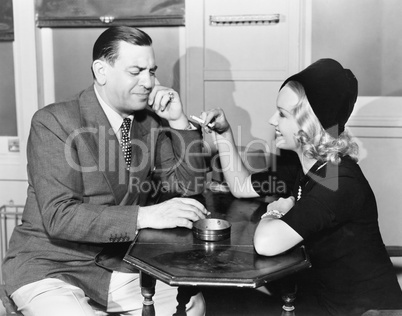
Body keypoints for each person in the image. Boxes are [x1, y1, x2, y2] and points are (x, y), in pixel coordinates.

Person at [2, 26, 208, 316]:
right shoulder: (53, 121)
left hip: (110, 265)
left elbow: (189, 187)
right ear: (101, 71)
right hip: (49, 264)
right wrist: (146, 215)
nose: (148, 82)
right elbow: (60, 216)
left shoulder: (149, 123)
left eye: (152, 71)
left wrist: (178, 121)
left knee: (190, 304)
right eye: (136, 71)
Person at [199, 58, 402, 315]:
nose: (272, 120)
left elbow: (265, 243)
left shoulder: (339, 181)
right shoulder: (303, 164)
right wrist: (224, 133)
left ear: (310, 123)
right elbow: (241, 186)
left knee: (219, 303)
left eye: (282, 114)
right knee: (215, 297)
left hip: (366, 311)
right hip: (320, 300)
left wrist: (277, 208)